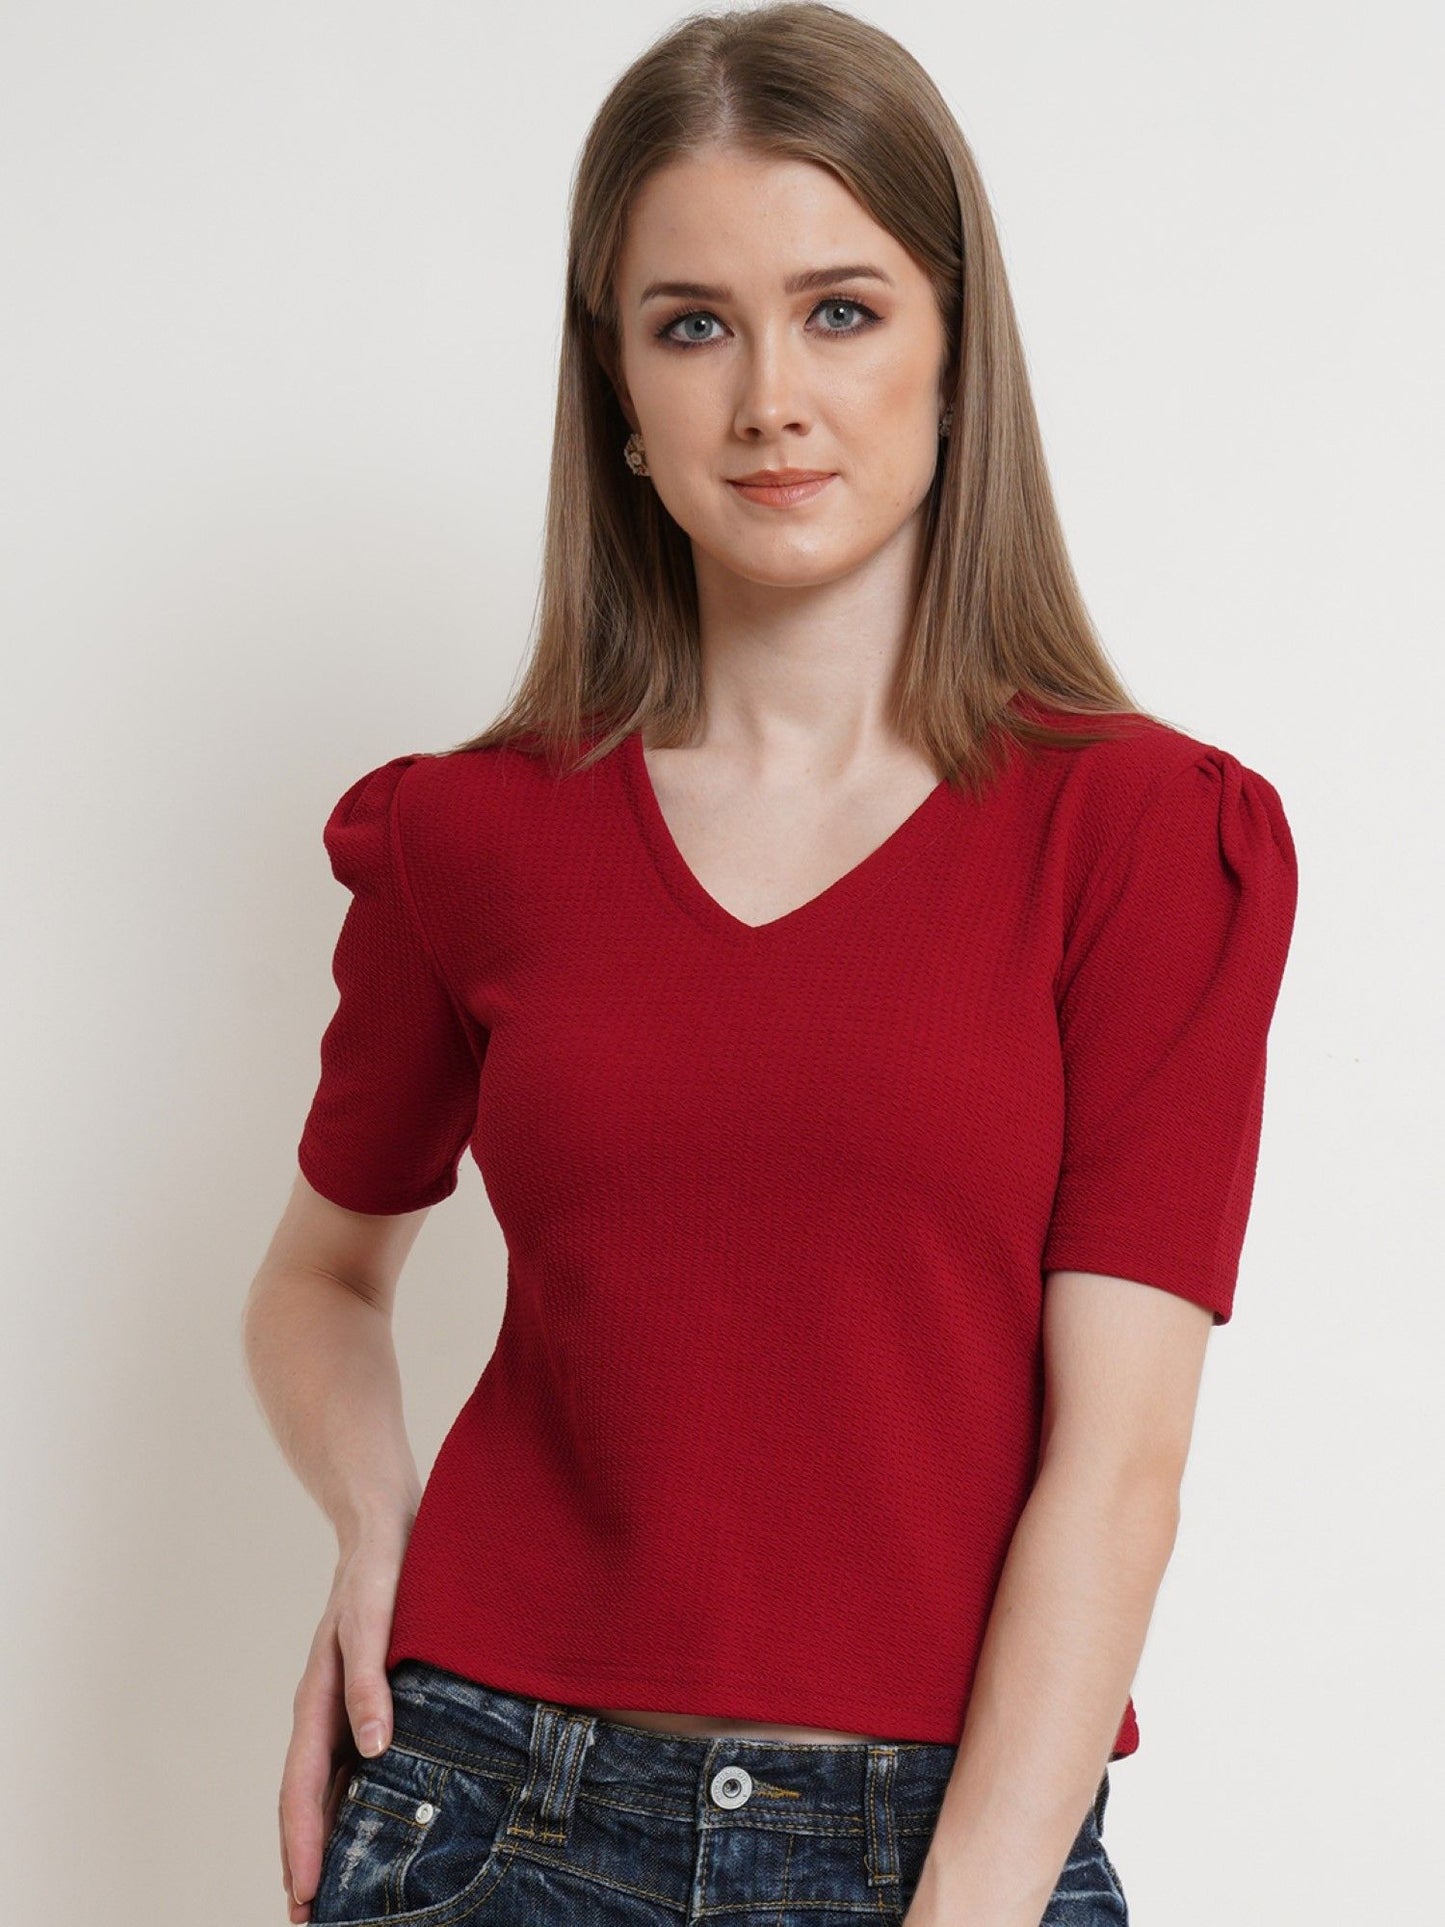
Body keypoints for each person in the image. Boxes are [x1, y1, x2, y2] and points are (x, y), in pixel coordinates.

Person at [244, 6, 1299, 1923]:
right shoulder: (467, 835)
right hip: (490, 1808)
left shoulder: (1148, 836)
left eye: (838, 311)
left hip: (942, 1836)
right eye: (691, 325)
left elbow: (1120, 1461)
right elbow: (319, 1276)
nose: (768, 400)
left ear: (955, 354)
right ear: (617, 393)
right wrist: (374, 1523)